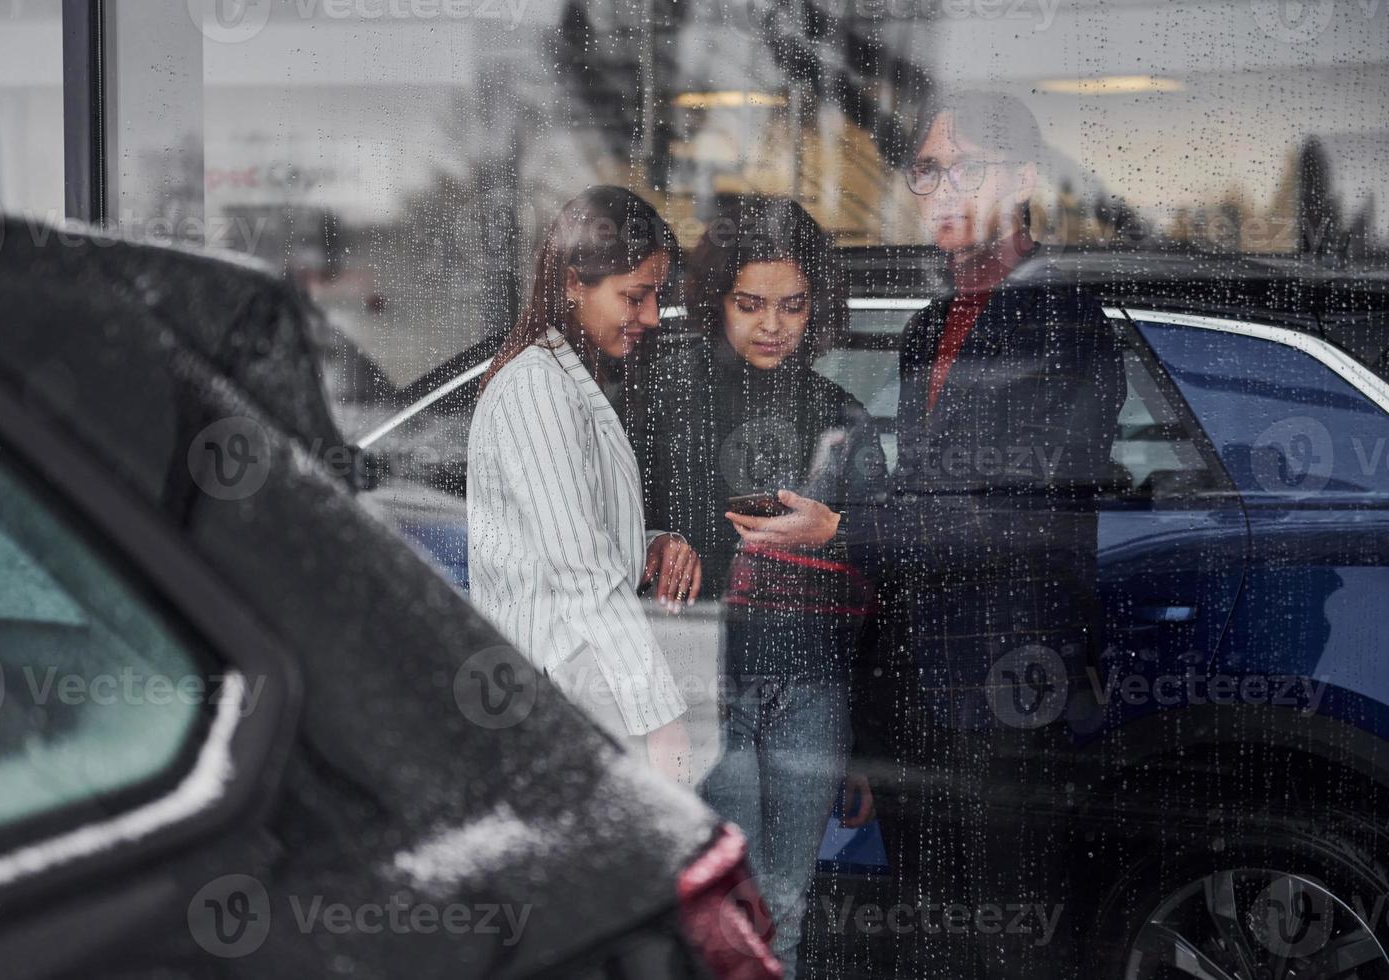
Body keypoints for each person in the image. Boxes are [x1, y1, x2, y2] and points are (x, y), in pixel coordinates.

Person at [743, 94, 1126, 977]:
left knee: (1010, 940)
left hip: (1008, 697)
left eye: (967, 168)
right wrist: (873, 729)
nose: (940, 189)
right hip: (920, 701)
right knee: (929, 939)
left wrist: (839, 527)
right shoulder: (927, 329)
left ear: (1024, 182)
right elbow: (924, 512)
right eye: (926, 170)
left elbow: (1017, 516)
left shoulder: (1063, 322)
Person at [628, 198, 883, 978]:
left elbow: (880, 580)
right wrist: (652, 541)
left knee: (788, 909)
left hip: (813, 689)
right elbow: (605, 526)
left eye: (793, 305)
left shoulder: (841, 416)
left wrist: (865, 744)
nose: (773, 324)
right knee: (726, 913)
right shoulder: (665, 396)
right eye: (750, 303)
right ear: (717, 301)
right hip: (707, 684)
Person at [467, 185, 701, 773]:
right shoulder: (537, 388)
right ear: (574, 283)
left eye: (654, 296)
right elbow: (580, 574)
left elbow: (568, 541)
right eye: (635, 296)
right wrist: (663, 719)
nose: (650, 315)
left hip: (576, 691)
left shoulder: (565, 379)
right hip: (564, 698)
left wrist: (645, 547)